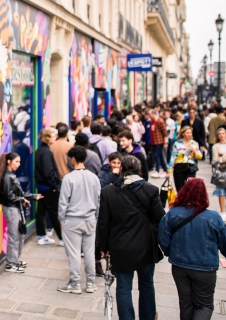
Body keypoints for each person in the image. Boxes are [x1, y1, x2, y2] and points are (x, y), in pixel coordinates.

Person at [158, 179, 226, 320]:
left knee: (186, 304)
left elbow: (162, 237)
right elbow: (225, 242)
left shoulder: (172, 214)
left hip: (179, 266)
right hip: (205, 268)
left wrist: (171, 252)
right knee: (204, 305)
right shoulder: (214, 217)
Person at [98, 156, 164, 320]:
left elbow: (103, 223)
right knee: (147, 284)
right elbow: (160, 219)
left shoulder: (108, 192)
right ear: (140, 169)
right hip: (146, 246)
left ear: (121, 169)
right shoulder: (151, 190)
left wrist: (103, 247)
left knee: (124, 287)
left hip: (121, 247)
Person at [57, 146, 101, 295]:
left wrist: (61, 219)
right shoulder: (94, 177)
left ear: (73, 159)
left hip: (72, 220)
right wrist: (96, 217)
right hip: (90, 219)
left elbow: (63, 202)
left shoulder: (69, 178)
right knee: (89, 252)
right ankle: (90, 282)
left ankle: (75, 283)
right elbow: (98, 200)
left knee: (74, 253)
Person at [0, 153, 43, 273]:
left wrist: (33, 196)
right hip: (11, 209)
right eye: (17, 161)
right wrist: (23, 199)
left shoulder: (9, 175)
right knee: (14, 236)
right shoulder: (7, 176)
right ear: (9, 161)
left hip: (15, 208)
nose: (19, 164)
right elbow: (9, 196)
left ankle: (14, 260)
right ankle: (11, 264)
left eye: (19, 162)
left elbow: (17, 194)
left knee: (19, 235)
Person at [34, 129, 63, 246]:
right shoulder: (46, 152)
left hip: (42, 185)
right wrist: (54, 185)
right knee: (53, 212)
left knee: (41, 211)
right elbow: (48, 171)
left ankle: (42, 236)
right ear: (47, 138)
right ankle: (62, 238)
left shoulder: (41, 150)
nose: (55, 137)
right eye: (52, 136)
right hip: (47, 186)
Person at [167, 126, 202, 192]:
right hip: (179, 166)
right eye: (187, 133)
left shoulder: (194, 143)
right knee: (180, 188)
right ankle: (181, 202)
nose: (189, 134)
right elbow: (173, 157)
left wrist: (194, 151)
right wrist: (169, 170)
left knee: (190, 188)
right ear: (183, 134)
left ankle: (188, 202)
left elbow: (200, 156)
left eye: (190, 133)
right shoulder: (177, 144)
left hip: (190, 167)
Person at [148, 109, 168, 178]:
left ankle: (157, 170)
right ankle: (165, 170)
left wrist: (165, 142)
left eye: (150, 114)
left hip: (159, 142)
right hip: (154, 142)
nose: (149, 115)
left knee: (156, 156)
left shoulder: (160, 121)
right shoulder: (152, 122)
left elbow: (164, 132)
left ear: (153, 114)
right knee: (161, 157)